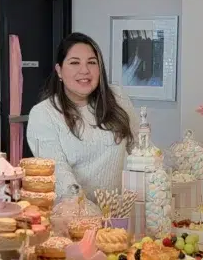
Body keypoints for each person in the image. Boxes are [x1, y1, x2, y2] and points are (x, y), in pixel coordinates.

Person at [26, 33, 139, 199]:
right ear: (59, 70)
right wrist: (86, 211)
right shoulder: (43, 114)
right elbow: (59, 172)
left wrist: (162, 182)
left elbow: (141, 148)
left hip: (115, 214)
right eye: (74, 63)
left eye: (92, 62)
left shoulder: (117, 98)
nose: (85, 70)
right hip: (71, 215)